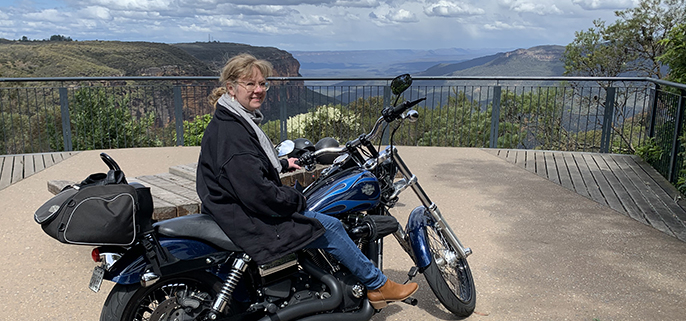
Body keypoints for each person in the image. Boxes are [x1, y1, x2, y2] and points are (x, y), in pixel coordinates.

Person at [196, 53, 418, 309]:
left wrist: (281, 164)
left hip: (230, 207)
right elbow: (259, 193)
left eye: (263, 83)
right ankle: (378, 285)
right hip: (244, 216)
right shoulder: (233, 133)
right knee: (329, 225)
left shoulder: (232, 119)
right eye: (251, 84)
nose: (259, 90)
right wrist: (295, 199)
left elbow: (246, 168)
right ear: (232, 88)